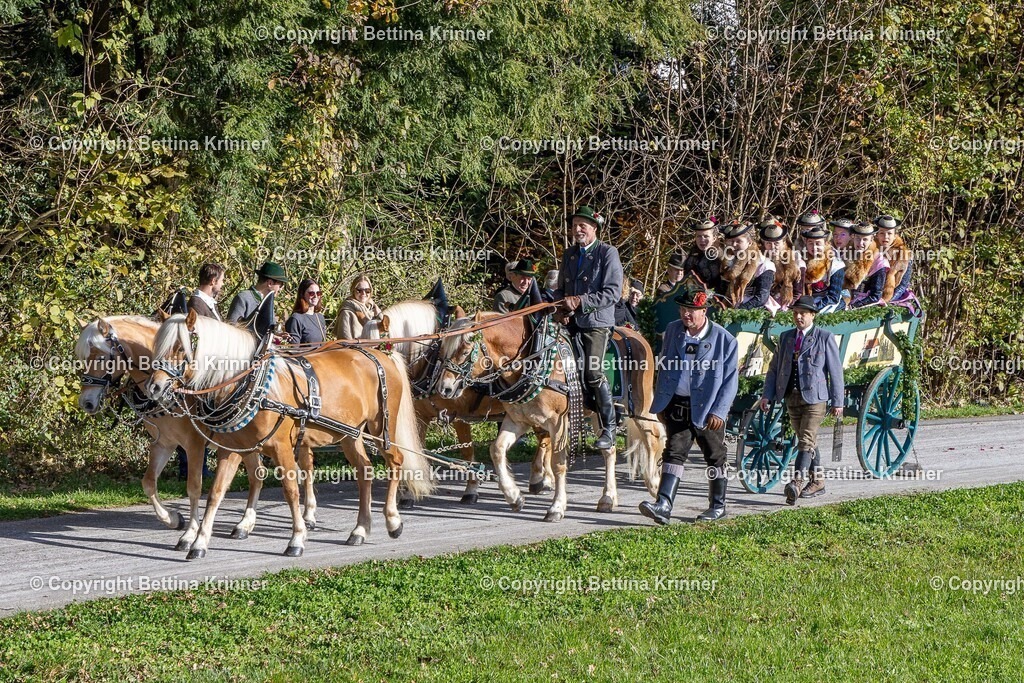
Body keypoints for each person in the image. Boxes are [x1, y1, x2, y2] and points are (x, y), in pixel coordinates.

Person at [640, 277, 738, 524]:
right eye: (683, 310)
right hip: (678, 403)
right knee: (673, 452)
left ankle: (718, 505)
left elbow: (730, 380)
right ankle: (663, 504)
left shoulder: (724, 339)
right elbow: (665, 367)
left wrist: (719, 411)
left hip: (707, 410)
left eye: (692, 311)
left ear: (703, 311)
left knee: (715, 455)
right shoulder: (673, 330)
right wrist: (662, 402)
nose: (686, 315)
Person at [760, 296, 844, 503]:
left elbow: (836, 371)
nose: (798, 317)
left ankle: (796, 483)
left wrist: (838, 402)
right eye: (796, 313)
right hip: (792, 397)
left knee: (805, 441)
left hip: (815, 398)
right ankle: (818, 482)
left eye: (803, 313)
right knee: (808, 441)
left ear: (812, 315)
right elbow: (774, 369)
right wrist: (767, 395)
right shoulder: (786, 337)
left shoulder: (824, 337)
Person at [553, 205, 623, 450]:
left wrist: (581, 301)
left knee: (593, 372)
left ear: (595, 228)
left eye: (583, 225)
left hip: (596, 323)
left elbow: (612, 292)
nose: (577, 229)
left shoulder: (608, 253)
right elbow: (561, 289)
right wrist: (560, 308)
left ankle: (609, 428)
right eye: (574, 226)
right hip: (570, 322)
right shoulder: (569, 254)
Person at [720, 220, 776, 309]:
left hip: (755, 311)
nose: (734, 245)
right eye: (732, 241)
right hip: (730, 307)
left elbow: (761, 298)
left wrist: (739, 310)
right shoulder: (730, 261)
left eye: (739, 241)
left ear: (749, 242)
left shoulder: (764, 265)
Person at [802, 220, 846, 313]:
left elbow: (833, 297)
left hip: (828, 303)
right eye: (810, 243)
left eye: (818, 243)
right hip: (806, 301)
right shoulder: (801, 261)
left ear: (826, 243)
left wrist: (814, 309)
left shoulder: (836, 264)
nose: (814, 247)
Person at [759, 217, 802, 310]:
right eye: (768, 243)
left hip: (787, 306)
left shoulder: (796, 260)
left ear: (783, 242)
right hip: (764, 304)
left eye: (776, 243)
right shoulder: (760, 259)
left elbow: (798, 293)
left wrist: (788, 307)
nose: (773, 247)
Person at [227, 261, 288, 326]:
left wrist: (275, 335)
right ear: (270, 283)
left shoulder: (268, 303)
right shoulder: (243, 298)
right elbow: (231, 327)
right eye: (280, 285)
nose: (281, 289)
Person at [844, 222, 889, 308]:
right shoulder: (847, 255)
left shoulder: (879, 262)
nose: (860, 243)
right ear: (853, 237)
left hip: (868, 303)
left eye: (865, 239)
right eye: (858, 238)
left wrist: (853, 306)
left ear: (871, 239)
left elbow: (875, 296)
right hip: (847, 298)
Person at [873, 214, 914, 304]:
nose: (885, 237)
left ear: (895, 235)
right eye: (882, 233)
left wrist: (887, 300)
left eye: (889, 233)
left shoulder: (903, 255)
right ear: (877, 235)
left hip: (893, 296)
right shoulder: (871, 249)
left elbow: (902, 286)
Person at [682, 217, 725, 295]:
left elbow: (721, 285)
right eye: (699, 236)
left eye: (706, 236)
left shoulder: (720, 257)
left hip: (714, 299)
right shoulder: (692, 254)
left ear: (714, 238)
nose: (702, 240)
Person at [334, 273, 383, 340]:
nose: (363, 293)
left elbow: (382, 333)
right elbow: (344, 341)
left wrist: (379, 315)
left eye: (367, 290)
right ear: (353, 290)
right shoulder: (347, 312)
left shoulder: (372, 310)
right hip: (355, 349)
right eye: (359, 290)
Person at [285, 279, 328, 344]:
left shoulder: (320, 317)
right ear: (302, 294)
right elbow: (294, 349)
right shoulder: (296, 318)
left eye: (318, 293)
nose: (316, 296)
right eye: (311, 293)